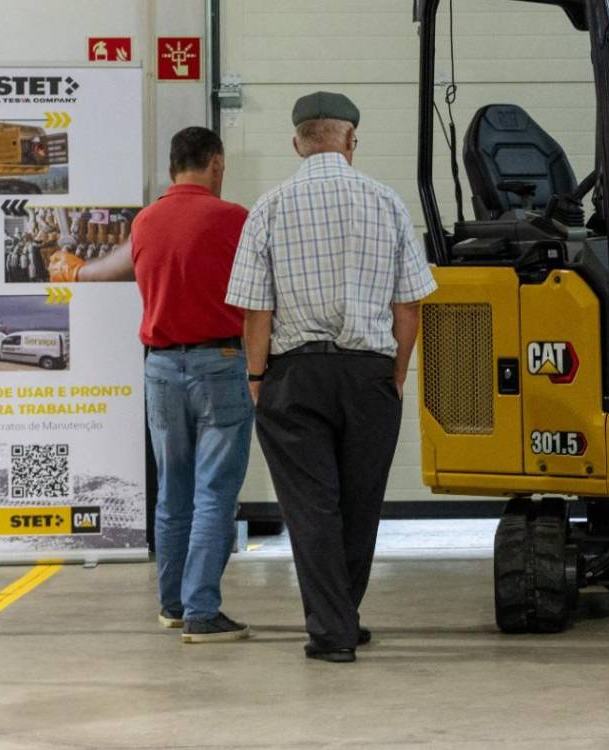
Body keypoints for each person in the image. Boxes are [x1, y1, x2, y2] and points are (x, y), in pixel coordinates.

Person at [226, 91, 436, 664]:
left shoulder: (269, 208)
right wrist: (395, 375)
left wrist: (256, 377)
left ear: (298, 142)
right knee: (360, 502)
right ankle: (342, 617)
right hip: (369, 373)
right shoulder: (387, 204)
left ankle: (333, 628)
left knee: (310, 506)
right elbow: (410, 307)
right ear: (350, 140)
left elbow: (256, 311)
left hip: (294, 375)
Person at [133, 126, 254, 643]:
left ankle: (173, 605)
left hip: (159, 367)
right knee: (213, 496)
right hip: (220, 363)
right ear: (216, 163)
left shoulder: (144, 222)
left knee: (172, 493)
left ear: (171, 168)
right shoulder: (234, 220)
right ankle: (203, 611)